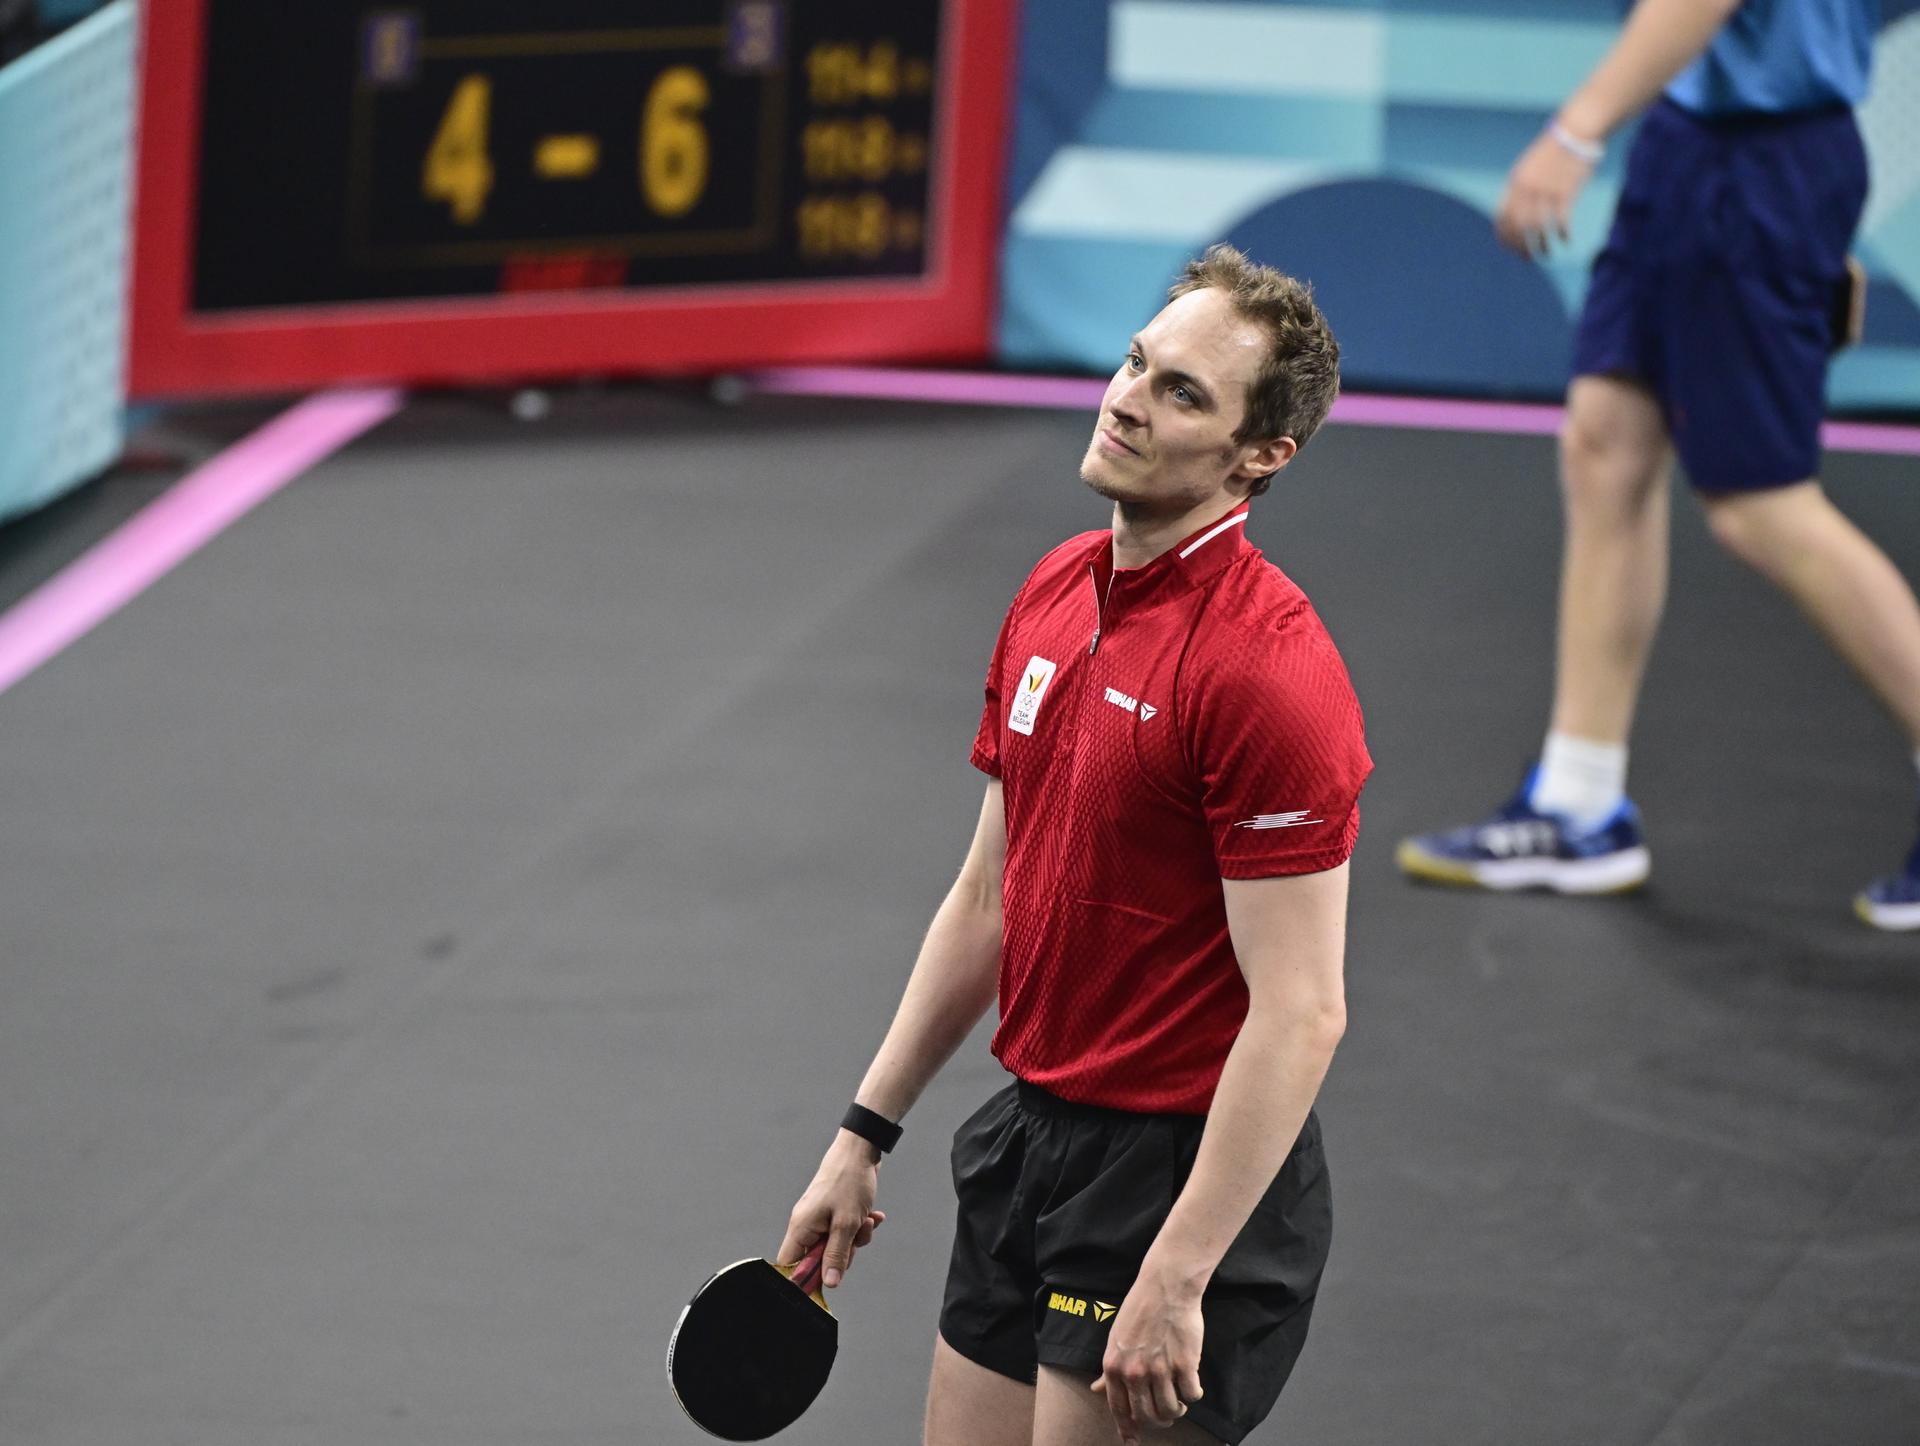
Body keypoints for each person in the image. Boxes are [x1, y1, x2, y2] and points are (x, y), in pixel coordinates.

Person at [777, 244, 1370, 1446]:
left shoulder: (1267, 670)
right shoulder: (1057, 589)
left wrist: (1182, 1267)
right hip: (1033, 1142)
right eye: (1138, 362)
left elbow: (1301, 1010)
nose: (1129, 397)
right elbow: (989, 897)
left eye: (1182, 393)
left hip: (1176, 1169)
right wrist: (862, 1133)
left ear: (1262, 456)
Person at [1396, 0, 1920, 926]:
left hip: (1762, 160)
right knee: (1606, 441)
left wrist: (1575, 128)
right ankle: (1579, 803)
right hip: (1696, 142)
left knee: (1761, 506)